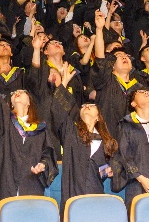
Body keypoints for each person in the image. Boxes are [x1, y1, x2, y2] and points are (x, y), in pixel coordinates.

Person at [0, 49, 58, 210]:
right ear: (10, 103)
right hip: (5, 182)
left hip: (31, 183)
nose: (17, 92)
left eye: (21, 92)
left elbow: (48, 153)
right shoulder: (6, 121)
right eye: (14, 93)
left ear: (29, 102)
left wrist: (43, 164)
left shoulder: (40, 128)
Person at [48, 65, 118, 203]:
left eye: (91, 106)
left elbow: (107, 168)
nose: (86, 106)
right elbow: (57, 112)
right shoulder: (70, 132)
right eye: (83, 106)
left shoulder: (106, 141)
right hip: (72, 196)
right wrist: (64, 83)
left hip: (96, 197)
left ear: (98, 117)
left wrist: (110, 170)